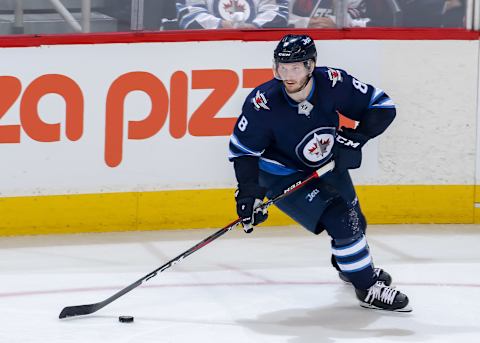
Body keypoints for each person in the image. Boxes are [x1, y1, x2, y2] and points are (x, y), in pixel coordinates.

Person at [228, 34, 412, 312]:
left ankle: (350, 269)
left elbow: (382, 106)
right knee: (341, 218)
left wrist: (357, 136)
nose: (287, 75)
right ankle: (368, 287)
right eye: (282, 67)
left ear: (311, 66)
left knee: (355, 224)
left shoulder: (333, 83)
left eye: (296, 68)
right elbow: (243, 151)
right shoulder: (263, 103)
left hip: (325, 164)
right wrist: (249, 191)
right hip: (282, 174)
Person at [176, 0, 289, 30]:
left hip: (256, 53)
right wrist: (220, 25)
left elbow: (278, 12)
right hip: (208, 52)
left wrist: (255, 26)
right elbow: (189, 16)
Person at [289, 0, 371, 28]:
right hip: (296, 42)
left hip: (339, 45)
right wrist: (304, 23)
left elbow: (361, 16)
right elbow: (279, 16)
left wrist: (337, 22)